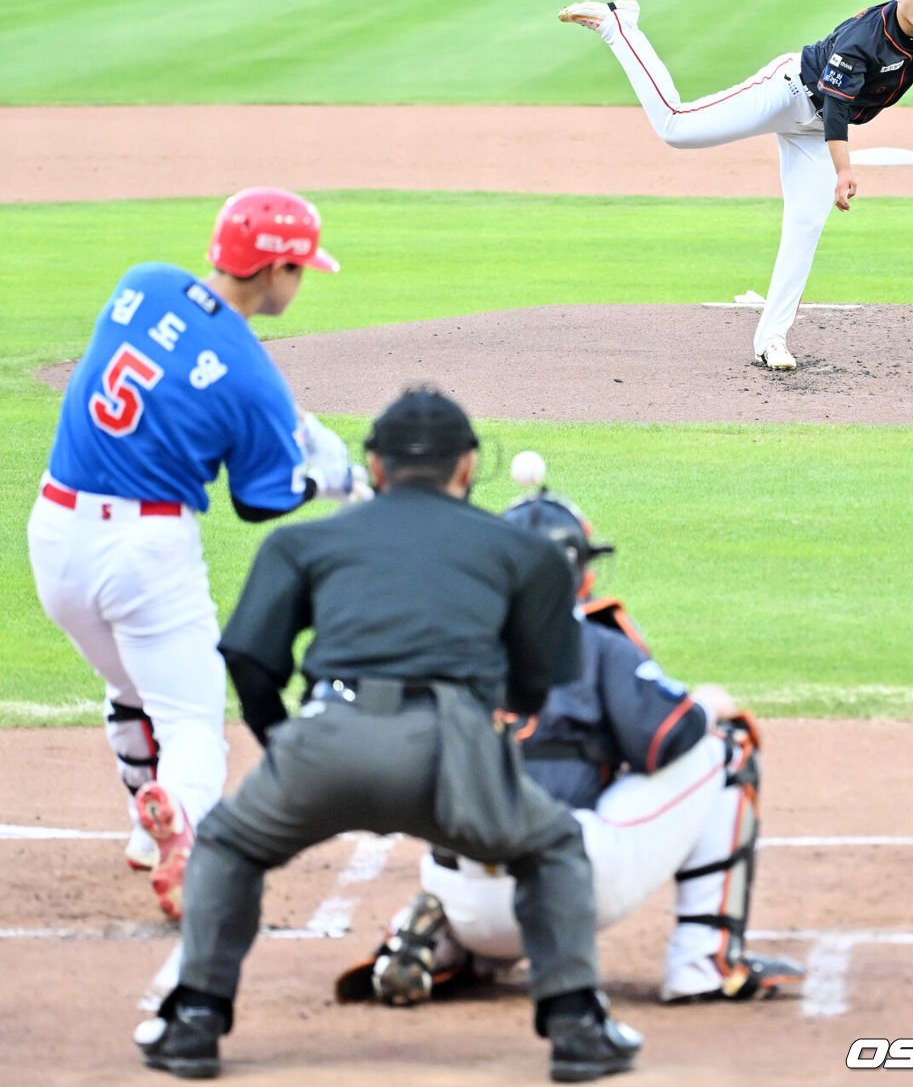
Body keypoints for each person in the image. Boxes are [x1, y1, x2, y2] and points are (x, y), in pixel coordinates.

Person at [132, 388, 643, 1084]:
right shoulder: (524, 550)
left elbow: (250, 659)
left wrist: (284, 739)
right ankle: (578, 1024)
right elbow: (537, 685)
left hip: (328, 737)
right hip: (453, 746)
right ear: (466, 467)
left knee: (227, 841)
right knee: (550, 845)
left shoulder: (305, 539)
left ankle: (193, 1018)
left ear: (373, 463)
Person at [337, 478, 804, 1008]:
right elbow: (672, 738)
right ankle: (705, 962)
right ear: (579, 572)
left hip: (457, 880)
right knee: (727, 742)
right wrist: (704, 705)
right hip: (564, 888)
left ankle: (446, 940)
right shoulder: (594, 643)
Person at [27, 187, 360, 920]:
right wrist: (319, 472)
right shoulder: (253, 378)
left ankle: (144, 829)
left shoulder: (141, 283)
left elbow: (172, 368)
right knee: (194, 722)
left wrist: (284, 421)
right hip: (143, 551)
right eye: (297, 269)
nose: (300, 282)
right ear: (271, 269)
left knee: (133, 686)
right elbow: (259, 500)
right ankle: (178, 823)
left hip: (53, 534)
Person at [557, 0, 913, 369]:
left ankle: (772, 339)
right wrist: (844, 172)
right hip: (786, 93)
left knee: (806, 225)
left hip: (815, 131)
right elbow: (838, 108)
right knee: (676, 126)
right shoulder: (862, 41)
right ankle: (619, 25)